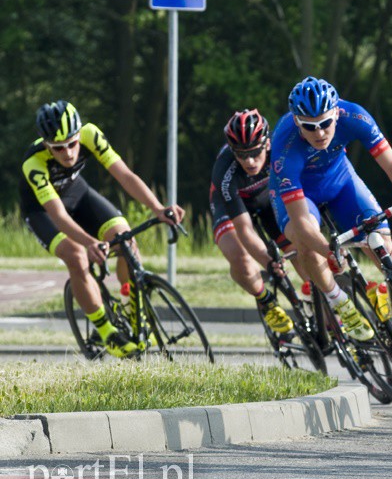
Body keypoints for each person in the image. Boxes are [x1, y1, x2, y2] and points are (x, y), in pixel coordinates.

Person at [269, 76, 392, 373]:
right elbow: (302, 224)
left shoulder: (354, 115)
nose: (319, 132)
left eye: (325, 123)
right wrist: (330, 250)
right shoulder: (284, 144)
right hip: (299, 196)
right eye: (309, 126)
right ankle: (339, 301)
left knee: (388, 254)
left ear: (336, 113)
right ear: (297, 122)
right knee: (305, 241)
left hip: (341, 182)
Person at [20, 100, 184, 358]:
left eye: (72, 144)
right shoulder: (34, 163)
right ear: (46, 145)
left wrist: (157, 208)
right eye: (58, 149)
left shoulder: (90, 134)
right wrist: (88, 243)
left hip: (78, 193)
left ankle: (130, 306)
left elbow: (125, 175)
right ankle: (106, 331)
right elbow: (59, 215)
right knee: (76, 256)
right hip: (44, 212)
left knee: (125, 239)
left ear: (79, 136)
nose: (68, 154)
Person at [209, 109, 297, 350]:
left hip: (267, 201)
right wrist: (269, 263)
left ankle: (315, 305)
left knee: (300, 250)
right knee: (242, 260)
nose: (249, 161)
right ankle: (266, 301)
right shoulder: (225, 171)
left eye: (255, 153)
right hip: (231, 206)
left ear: (267, 144)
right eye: (241, 154)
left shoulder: (280, 151)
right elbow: (245, 230)